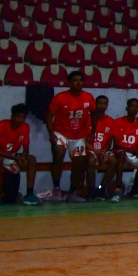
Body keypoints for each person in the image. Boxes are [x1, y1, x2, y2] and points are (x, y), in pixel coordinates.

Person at [46, 71, 95, 202]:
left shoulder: (88, 97)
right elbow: (49, 116)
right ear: (69, 82)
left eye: (80, 80)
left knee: (79, 163)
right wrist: (51, 134)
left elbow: (94, 114)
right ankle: (56, 188)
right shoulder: (60, 97)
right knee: (59, 154)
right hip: (61, 132)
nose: (78, 83)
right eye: (75, 80)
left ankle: (72, 192)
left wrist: (92, 131)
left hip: (79, 134)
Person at [0, 103, 40, 207]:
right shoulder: (1, 125)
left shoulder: (25, 127)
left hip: (10, 155)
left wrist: (23, 157)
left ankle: (29, 194)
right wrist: (16, 158)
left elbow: (26, 149)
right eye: (18, 117)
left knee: (31, 159)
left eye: (23, 117)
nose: (21, 120)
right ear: (12, 117)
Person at [114, 98, 138, 200]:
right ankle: (118, 189)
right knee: (121, 155)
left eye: (136, 106)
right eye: (132, 106)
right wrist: (132, 150)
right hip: (122, 151)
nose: (134, 108)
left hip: (134, 153)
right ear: (127, 108)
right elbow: (117, 144)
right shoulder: (118, 122)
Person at [86, 95, 121, 201]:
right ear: (95, 104)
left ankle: (101, 188)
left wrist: (103, 152)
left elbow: (109, 140)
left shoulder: (110, 121)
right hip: (89, 149)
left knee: (113, 160)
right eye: (100, 103)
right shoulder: (87, 119)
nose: (102, 105)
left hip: (103, 150)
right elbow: (82, 140)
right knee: (91, 160)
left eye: (105, 103)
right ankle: (92, 190)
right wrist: (96, 152)